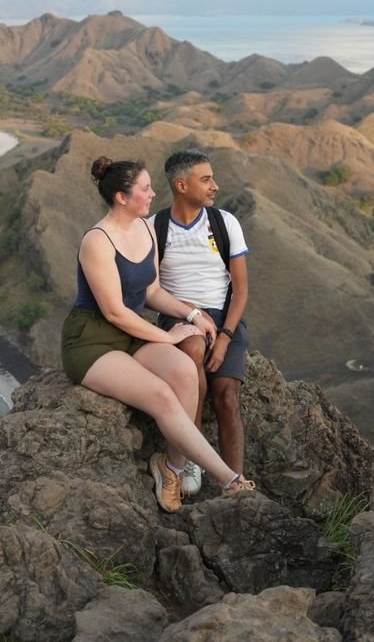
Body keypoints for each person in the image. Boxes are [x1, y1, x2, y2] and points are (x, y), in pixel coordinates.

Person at [59, 155, 256, 512]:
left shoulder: (146, 230)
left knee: (184, 372)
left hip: (131, 333)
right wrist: (168, 337)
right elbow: (114, 311)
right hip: (92, 340)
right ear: (122, 197)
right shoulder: (97, 241)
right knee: (162, 395)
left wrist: (192, 315)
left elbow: (151, 292)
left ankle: (172, 468)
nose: (153, 194)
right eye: (145, 189)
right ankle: (231, 480)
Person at [152, 149, 250, 496]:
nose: (215, 186)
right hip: (178, 315)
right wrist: (188, 311)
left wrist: (224, 338)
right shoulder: (154, 228)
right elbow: (148, 291)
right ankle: (192, 456)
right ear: (181, 185)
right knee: (193, 348)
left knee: (227, 398)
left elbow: (241, 290)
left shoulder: (225, 223)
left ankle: (234, 483)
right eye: (205, 179)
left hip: (224, 317)